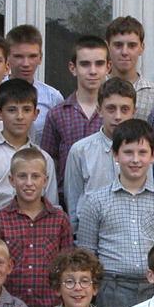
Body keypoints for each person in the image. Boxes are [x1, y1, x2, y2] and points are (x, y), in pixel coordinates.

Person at [75, 119, 154, 307]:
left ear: (153, 156)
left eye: (142, 153)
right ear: (116, 155)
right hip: (111, 288)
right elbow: (87, 254)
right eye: (128, 152)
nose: (135, 160)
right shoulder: (96, 201)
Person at [0, 148, 73, 307]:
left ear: (45, 180)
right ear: (11, 180)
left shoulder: (59, 219)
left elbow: (67, 266)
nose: (29, 183)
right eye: (22, 176)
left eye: (35, 176)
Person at [0, 79, 59, 211]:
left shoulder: (44, 159)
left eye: (26, 110)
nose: (20, 117)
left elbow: (51, 206)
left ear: (35, 114)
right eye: (12, 110)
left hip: (36, 226)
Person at [64, 77, 137, 228]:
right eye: (111, 108)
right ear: (99, 110)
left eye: (125, 109)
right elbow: (73, 202)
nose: (118, 116)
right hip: (89, 234)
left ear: (134, 112)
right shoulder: (80, 151)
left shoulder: (142, 152)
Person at [40, 36, 110, 191]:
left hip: (110, 202)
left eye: (99, 64)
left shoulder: (117, 114)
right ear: (73, 68)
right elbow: (46, 164)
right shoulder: (57, 115)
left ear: (108, 67)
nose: (92, 71)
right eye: (85, 64)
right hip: (66, 201)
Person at [5, 24, 64, 141]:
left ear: (40, 58)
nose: (26, 63)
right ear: (7, 58)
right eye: (18, 56)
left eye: (32, 56)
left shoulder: (52, 98)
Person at [105, 16, 154, 118]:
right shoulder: (96, 89)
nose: (124, 52)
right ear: (107, 47)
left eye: (132, 45)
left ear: (142, 48)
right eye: (118, 45)